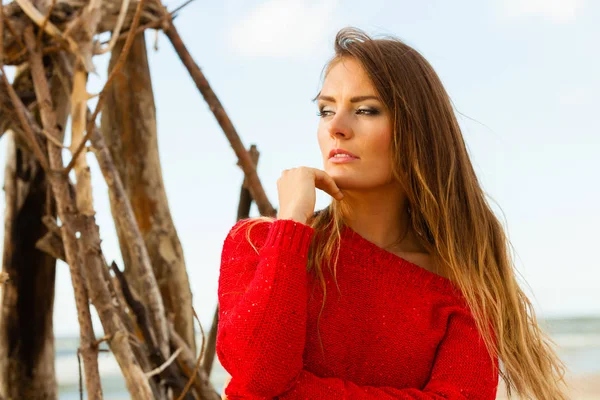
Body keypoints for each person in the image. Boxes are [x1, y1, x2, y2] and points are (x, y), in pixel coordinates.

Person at [216, 27, 568, 399]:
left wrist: (293, 391)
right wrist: (290, 223)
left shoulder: (461, 284)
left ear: (416, 129)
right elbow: (259, 378)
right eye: (326, 110)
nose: (336, 128)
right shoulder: (257, 245)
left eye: (365, 110)